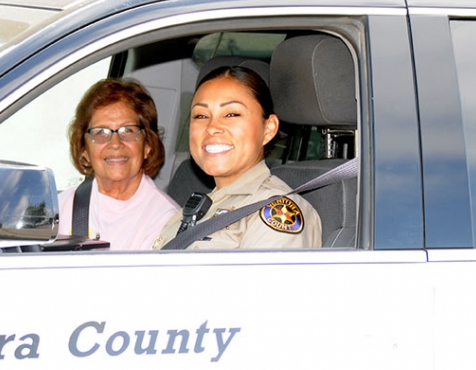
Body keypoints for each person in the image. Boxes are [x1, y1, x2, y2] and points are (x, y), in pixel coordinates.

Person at [153, 65, 321, 250]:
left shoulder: (276, 212)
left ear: (269, 128)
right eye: (201, 115)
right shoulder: (195, 208)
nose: (211, 127)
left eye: (231, 114)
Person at [58, 78, 178, 250]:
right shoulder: (60, 209)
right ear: (84, 149)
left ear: (148, 145)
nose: (115, 143)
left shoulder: (166, 222)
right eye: (100, 132)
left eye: (128, 130)